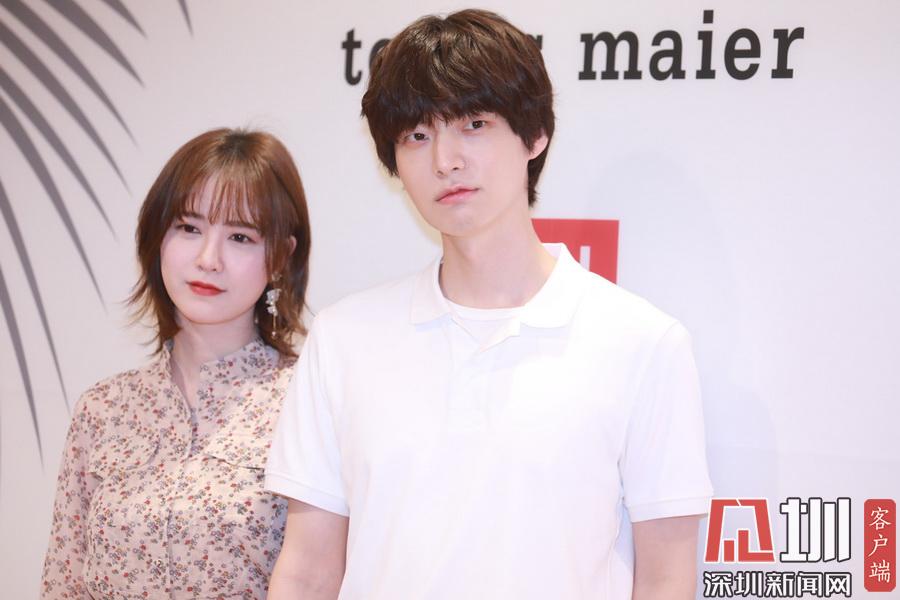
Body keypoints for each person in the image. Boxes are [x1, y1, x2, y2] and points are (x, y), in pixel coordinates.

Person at [265, 9, 712, 600]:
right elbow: (308, 571)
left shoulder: (642, 343)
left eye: (473, 124)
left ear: (535, 135)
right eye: (417, 136)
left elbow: (666, 578)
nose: (445, 159)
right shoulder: (344, 338)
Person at [40, 128, 311, 599]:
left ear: (280, 257)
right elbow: (64, 583)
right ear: (157, 235)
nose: (209, 259)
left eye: (240, 236)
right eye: (189, 228)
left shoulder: (308, 401)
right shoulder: (103, 410)